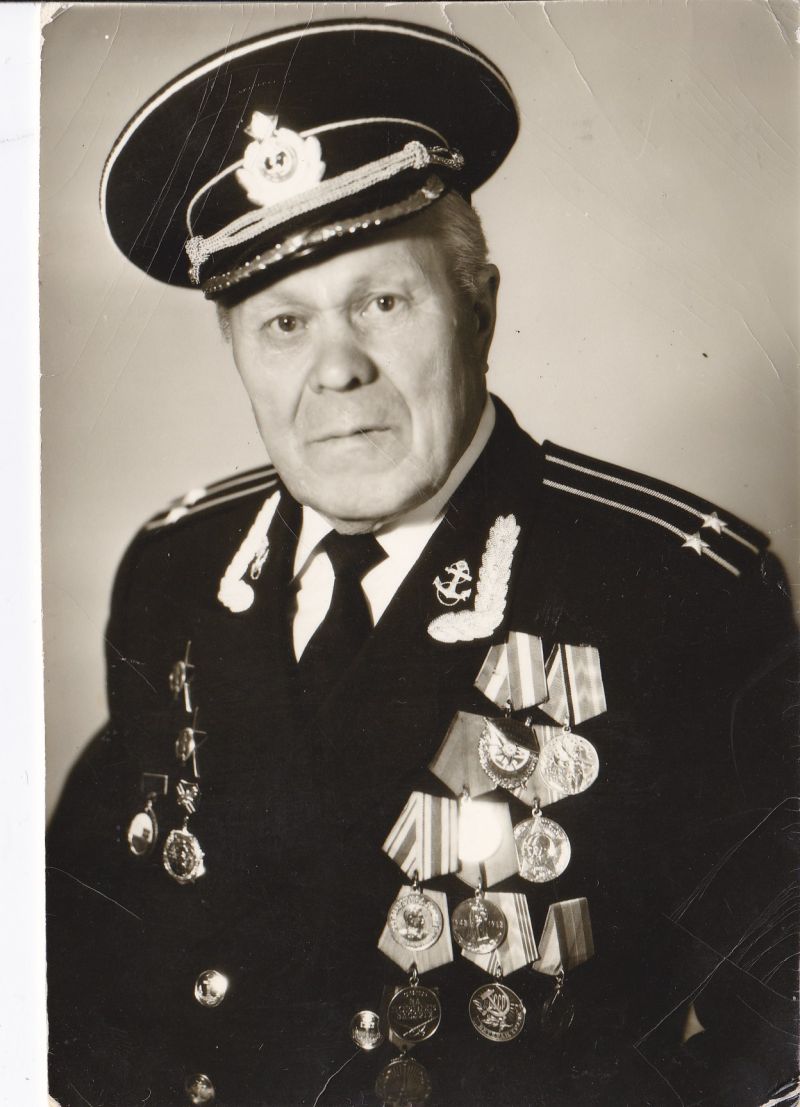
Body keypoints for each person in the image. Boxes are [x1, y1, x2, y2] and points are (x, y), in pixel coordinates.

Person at [46, 17, 798, 1107]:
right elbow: (74, 964)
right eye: (282, 324)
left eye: (381, 302)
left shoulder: (675, 591)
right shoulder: (177, 569)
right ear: (236, 352)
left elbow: (781, 1024)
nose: (335, 370)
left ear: (478, 309)